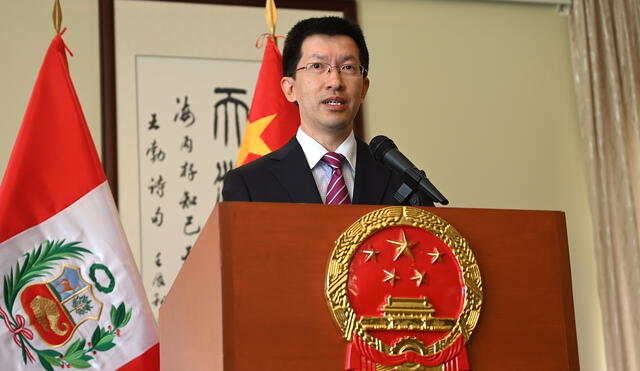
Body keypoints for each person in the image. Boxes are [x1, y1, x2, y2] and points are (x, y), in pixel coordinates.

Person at [222, 16, 433, 206]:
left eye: (348, 67)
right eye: (317, 66)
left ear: (364, 89)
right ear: (290, 88)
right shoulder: (249, 184)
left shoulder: (404, 183)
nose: (335, 81)